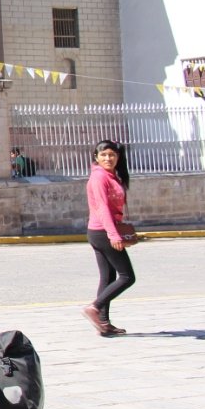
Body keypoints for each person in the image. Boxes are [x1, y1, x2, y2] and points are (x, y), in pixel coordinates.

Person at [84, 139, 136, 337]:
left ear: (118, 157)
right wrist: (113, 234)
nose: (108, 158)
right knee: (127, 277)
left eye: (112, 155)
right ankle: (94, 308)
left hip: (101, 231)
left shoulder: (112, 176)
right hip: (103, 232)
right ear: (96, 157)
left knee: (108, 277)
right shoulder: (99, 178)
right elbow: (102, 208)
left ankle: (103, 323)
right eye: (103, 155)